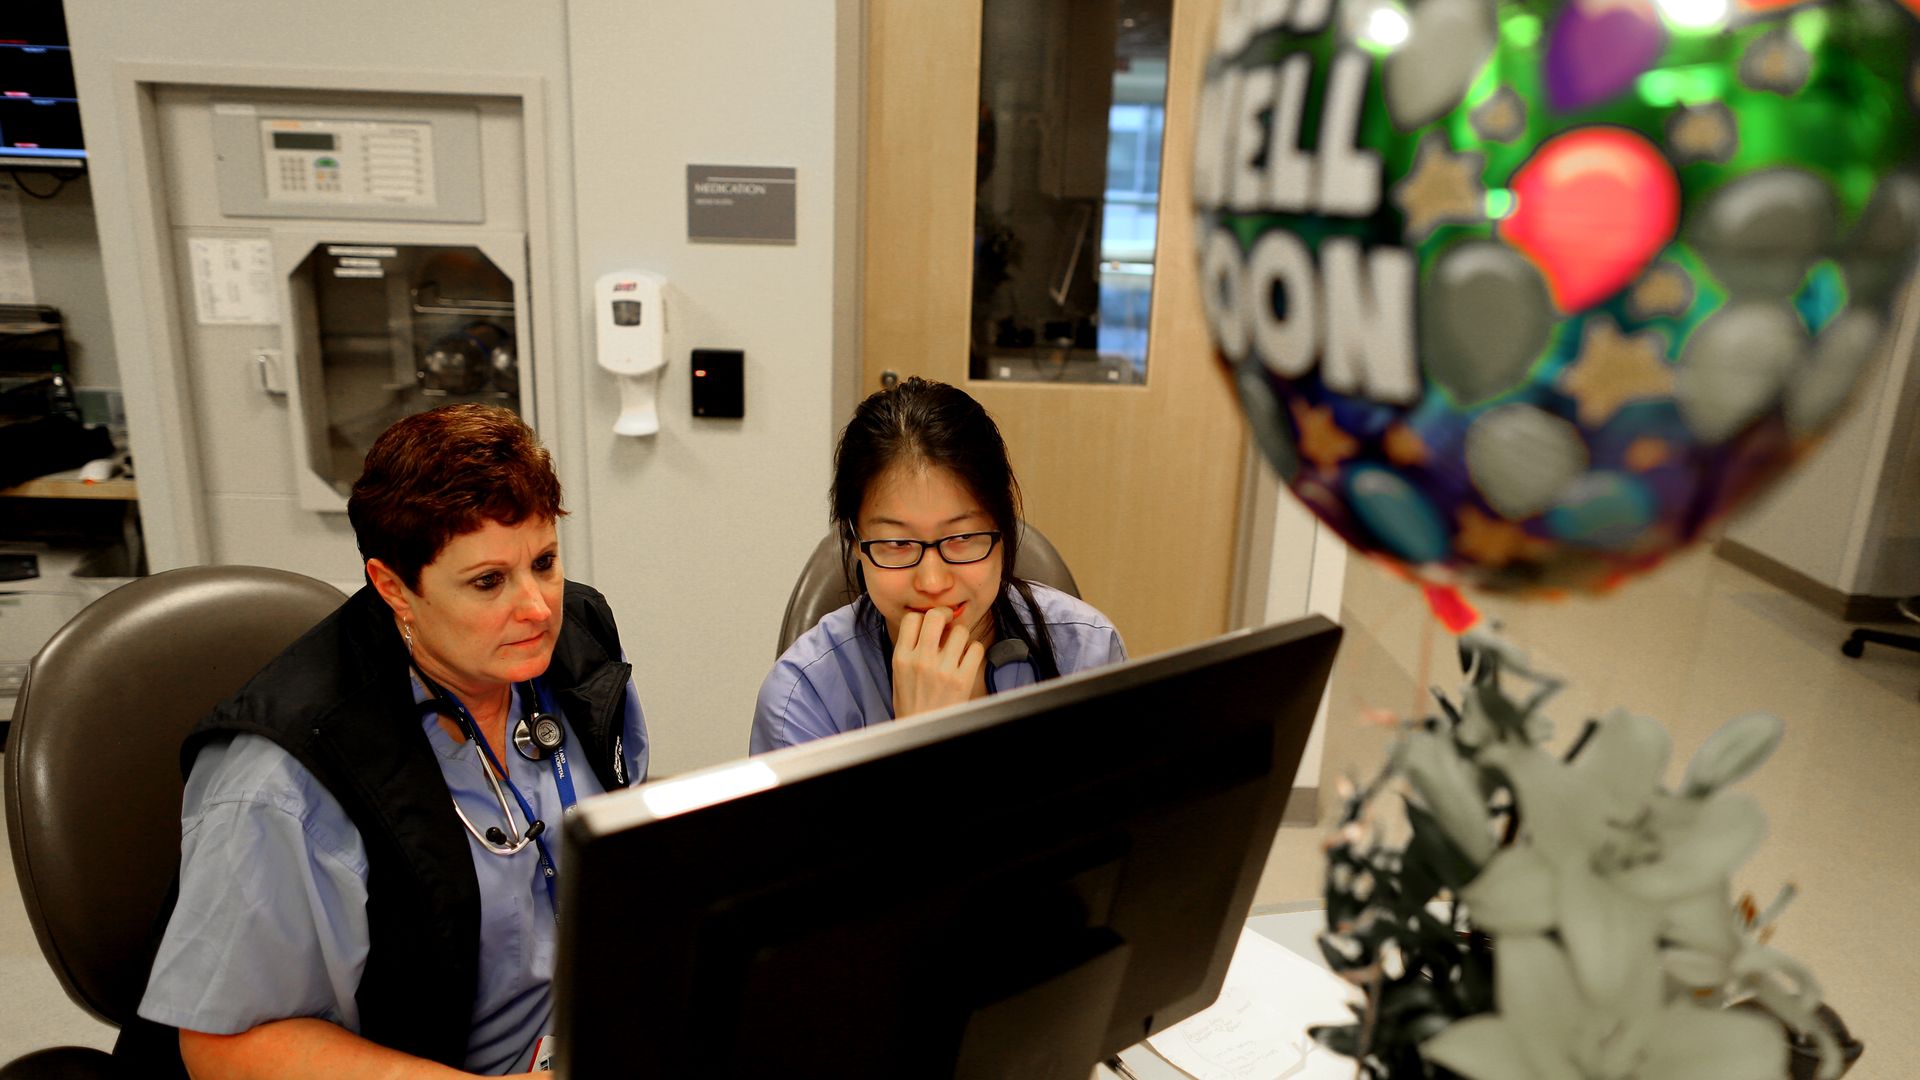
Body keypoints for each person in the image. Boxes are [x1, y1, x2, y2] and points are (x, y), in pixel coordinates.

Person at [124, 405, 648, 1078]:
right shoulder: (282, 779)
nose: (538, 607)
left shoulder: (576, 643)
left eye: (543, 562)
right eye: (488, 581)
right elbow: (225, 1048)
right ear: (392, 587)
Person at [751, 377, 1125, 753]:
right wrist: (919, 738)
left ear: (1004, 532)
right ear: (855, 544)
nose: (932, 582)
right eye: (897, 543)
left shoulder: (1086, 652)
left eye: (961, 538)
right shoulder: (801, 699)